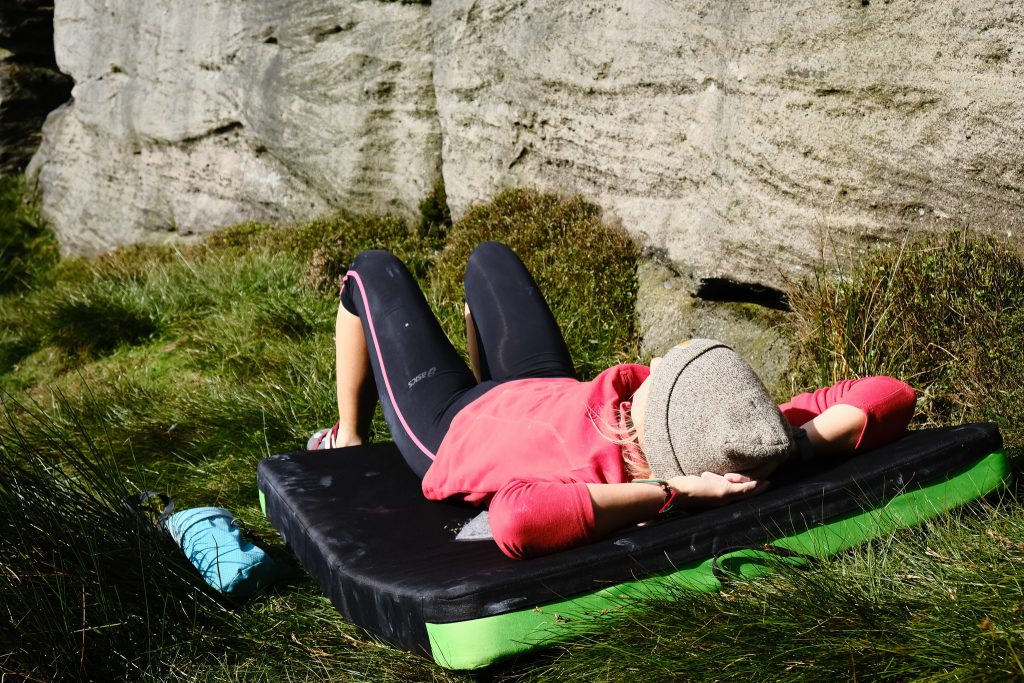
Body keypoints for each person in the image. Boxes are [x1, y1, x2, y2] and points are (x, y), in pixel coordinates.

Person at [308, 242, 917, 560]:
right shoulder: (741, 435)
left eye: (661, 375)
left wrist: (676, 494)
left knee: (371, 270)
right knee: (488, 259)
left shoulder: (597, 482)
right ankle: (475, 371)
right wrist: (796, 447)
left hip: (453, 426)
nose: (651, 365)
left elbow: (516, 521)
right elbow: (891, 396)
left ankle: (347, 436)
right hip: (546, 387)